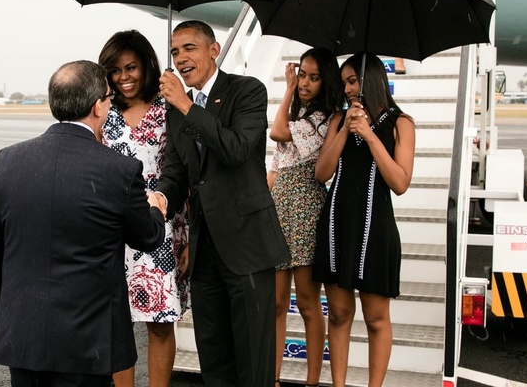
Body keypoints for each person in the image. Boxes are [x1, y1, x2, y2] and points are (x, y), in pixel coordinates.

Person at [0, 60, 167, 387]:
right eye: (109, 98)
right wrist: (156, 208)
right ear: (97, 106)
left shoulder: (7, 159)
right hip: (86, 342)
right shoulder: (119, 169)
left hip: (23, 333)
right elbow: (147, 238)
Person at [155, 20, 290, 387]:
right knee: (213, 359)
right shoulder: (175, 113)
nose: (180, 58)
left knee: (252, 360)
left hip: (246, 245)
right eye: (174, 51)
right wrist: (159, 197)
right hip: (205, 251)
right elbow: (176, 172)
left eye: (189, 48)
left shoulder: (246, 91)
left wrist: (184, 104)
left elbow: (235, 150)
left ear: (214, 51)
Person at [312, 51, 416, 387]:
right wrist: (345, 130)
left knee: (375, 318)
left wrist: (370, 136)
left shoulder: (401, 123)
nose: (348, 89)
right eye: (344, 83)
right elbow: (321, 172)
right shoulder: (337, 121)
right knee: (339, 314)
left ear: (372, 79)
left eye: (353, 81)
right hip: (337, 223)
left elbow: (400, 183)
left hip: (376, 226)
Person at [98, 30, 189, 387]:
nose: (124, 77)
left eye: (132, 67)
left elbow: (182, 174)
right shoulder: (102, 113)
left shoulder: (168, 108)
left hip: (161, 227)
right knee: (116, 324)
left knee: (161, 323)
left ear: (147, 65)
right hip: (113, 227)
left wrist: (188, 237)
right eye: (116, 70)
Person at [269, 48, 344, 387]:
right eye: (302, 75)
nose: (305, 83)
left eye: (314, 77)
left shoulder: (323, 118)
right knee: (276, 302)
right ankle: (272, 378)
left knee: (309, 302)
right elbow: (275, 165)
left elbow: (277, 132)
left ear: (325, 81)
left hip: (306, 208)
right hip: (280, 205)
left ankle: (313, 381)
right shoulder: (298, 113)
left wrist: (285, 89)